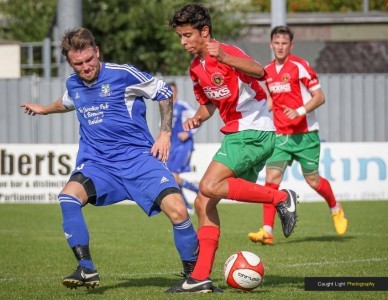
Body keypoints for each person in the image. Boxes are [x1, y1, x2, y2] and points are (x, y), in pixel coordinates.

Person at [20, 28, 198, 289]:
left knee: (178, 210)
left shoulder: (123, 74)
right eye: (78, 64)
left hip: (138, 159)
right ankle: (86, 269)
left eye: (89, 60)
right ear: (70, 62)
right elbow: (68, 101)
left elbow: (164, 92)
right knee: (68, 197)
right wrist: (44, 109)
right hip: (98, 165)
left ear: (97, 52)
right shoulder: (74, 83)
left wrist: (165, 134)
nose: (85, 67)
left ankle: (193, 276)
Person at [167, 4, 298, 293]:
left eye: (188, 35)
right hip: (238, 135)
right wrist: (197, 118)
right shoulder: (195, 69)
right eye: (180, 36)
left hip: (253, 130)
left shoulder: (225, 51)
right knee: (203, 202)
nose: (183, 42)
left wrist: (224, 56)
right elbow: (209, 103)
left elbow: (260, 72)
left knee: (209, 185)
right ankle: (200, 277)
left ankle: (280, 198)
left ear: (205, 31)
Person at [248, 25, 348, 245]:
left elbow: (319, 96)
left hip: (305, 134)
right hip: (281, 136)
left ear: (291, 45)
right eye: (277, 43)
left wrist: (300, 110)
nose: (280, 47)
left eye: (284, 43)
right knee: (271, 181)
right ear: (271, 44)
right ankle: (267, 230)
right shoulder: (267, 71)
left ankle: (335, 207)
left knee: (313, 180)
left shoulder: (300, 66)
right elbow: (272, 99)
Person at [167, 81, 199, 215]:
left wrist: (189, 133)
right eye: (169, 91)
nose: (171, 94)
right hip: (172, 147)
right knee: (171, 177)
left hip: (184, 146)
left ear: (177, 92)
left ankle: (199, 192)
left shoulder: (183, 106)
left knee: (174, 176)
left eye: (173, 91)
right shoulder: (165, 108)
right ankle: (187, 205)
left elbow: (198, 119)